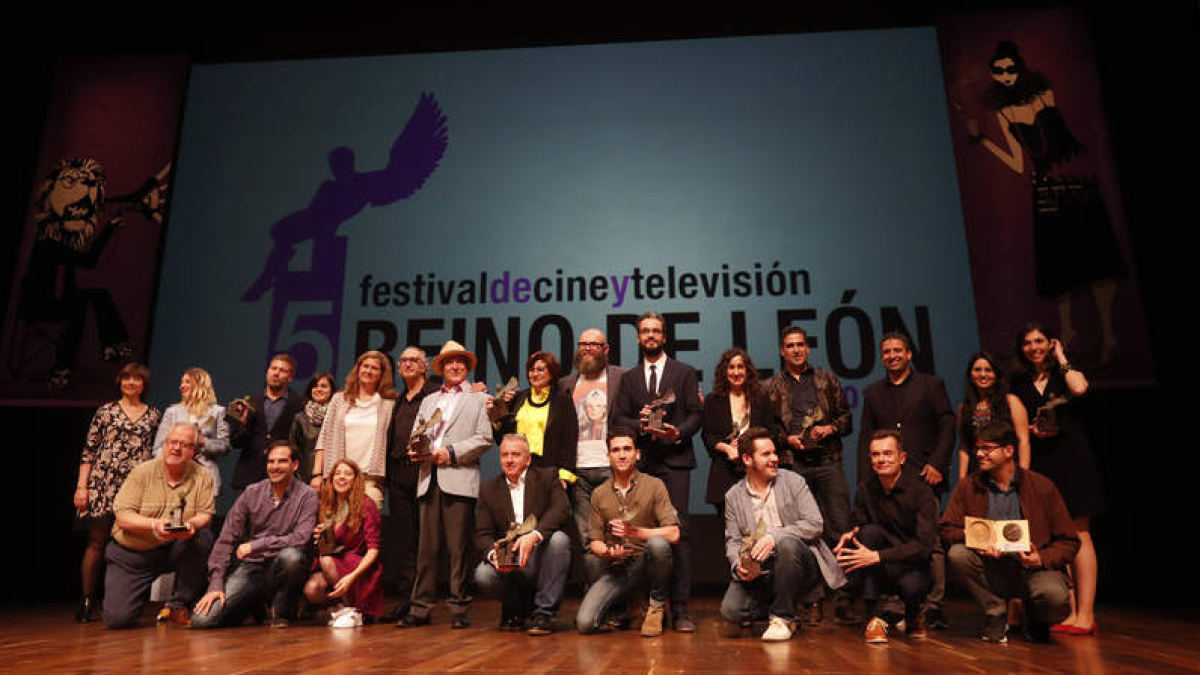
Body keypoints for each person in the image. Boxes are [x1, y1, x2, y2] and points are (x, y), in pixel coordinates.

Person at [969, 40, 1123, 362]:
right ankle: (1067, 332)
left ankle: (1109, 334)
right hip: (1045, 190)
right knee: (1059, 267)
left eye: (1010, 69)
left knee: (1098, 263)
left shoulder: (1044, 95)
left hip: (1076, 179)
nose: (1006, 75)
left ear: (1020, 67)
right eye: (999, 71)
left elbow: (1062, 137)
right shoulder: (1004, 112)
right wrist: (982, 140)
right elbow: (1018, 162)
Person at [942, 421, 1079, 643]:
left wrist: (1040, 558)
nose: (979, 454)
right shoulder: (969, 485)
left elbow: (1069, 541)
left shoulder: (1041, 486)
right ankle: (995, 612)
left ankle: (1035, 618)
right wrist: (978, 539)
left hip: (1033, 570)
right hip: (992, 568)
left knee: (1054, 595)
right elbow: (947, 529)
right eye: (978, 448)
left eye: (987, 448)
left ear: (1008, 451)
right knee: (958, 554)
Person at [1010, 321, 1104, 635]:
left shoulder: (1065, 373)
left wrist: (1062, 356)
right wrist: (1030, 430)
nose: (1033, 347)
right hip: (1041, 462)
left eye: (1039, 341)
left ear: (1050, 343)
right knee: (1058, 538)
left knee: (1080, 534)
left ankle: (1086, 614)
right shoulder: (1019, 381)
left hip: (1072, 459)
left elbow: (1080, 389)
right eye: (1027, 342)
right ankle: (1071, 611)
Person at [612, 311, 703, 631]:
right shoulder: (630, 378)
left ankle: (680, 609)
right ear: (638, 337)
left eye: (656, 331)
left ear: (664, 337)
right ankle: (646, 604)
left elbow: (696, 414)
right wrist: (638, 424)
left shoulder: (684, 372)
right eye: (645, 331)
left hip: (675, 460)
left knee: (678, 532)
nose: (650, 335)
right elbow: (618, 418)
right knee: (639, 534)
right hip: (645, 463)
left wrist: (677, 433)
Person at [858, 331, 955, 629]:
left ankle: (932, 607)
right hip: (887, 479)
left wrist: (937, 463)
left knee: (931, 543)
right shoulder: (873, 393)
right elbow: (866, 437)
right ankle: (891, 604)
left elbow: (947, 425)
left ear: (909, 354)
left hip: (924, 474)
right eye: (886, 352)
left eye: (898, 350)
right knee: (882, 535)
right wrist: (866, 478)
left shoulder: (931, 385)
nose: (892, 356)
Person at [762, 326, 854, 625]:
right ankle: (812, 600)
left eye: (801, 344)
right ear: (782, 351)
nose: (796, 350)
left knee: (839, 529)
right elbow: (766, 429)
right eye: (790, 345)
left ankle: (844, 598)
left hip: (828, 461)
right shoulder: (770, 386)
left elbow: (846, 418)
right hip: (793, 466)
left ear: (808, 348)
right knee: (801, 533)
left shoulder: (826, 379)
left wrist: (830, 428)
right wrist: (786, 439)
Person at [398, 340, 493, 629]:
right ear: (441, 368)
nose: (454, 366)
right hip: (428, 478)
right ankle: (420, 608)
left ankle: (459, 608)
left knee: (458, 549)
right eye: (449, 362)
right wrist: (416, 449)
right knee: (426, 550)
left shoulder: (479, 398)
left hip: (459, 478)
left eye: (459, 362)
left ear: (467, 367)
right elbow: (417, 434)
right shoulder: (429, 401)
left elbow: (484, 438)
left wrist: (450, 453)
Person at [720, 427, 846, 642]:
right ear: (748, 459)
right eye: (766, 454)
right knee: (732, 611)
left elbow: (815, 525)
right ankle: (785, 606)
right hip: (762, 568)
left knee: (786, 544)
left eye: (775, 453)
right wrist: (738, 565)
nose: (775, 458)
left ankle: (782, 617)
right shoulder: (733, 496)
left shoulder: (793, 481)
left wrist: (774, 536)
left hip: (800, 562)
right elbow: (734, 541)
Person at [192, 441, 318, 628]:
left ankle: (282, 612)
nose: (275, 466)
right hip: (252, 566)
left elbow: (301, 538)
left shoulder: (307, 495)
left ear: (295, 465)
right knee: (202, 620)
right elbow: (226, 538)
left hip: (282, 567)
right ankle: (253, 605)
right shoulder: (252, 492)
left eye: (282, 461)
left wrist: (256, 545)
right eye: (271, 461)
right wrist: (215, 584)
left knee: (292, 557)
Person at [102, 422, 214, 629]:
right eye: (172, 442)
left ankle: (178, 605)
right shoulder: (141, 473)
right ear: (165, 444)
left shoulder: (203, 475)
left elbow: (205, 514)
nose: (176, 448)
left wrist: (191, 525)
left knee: (202, 536)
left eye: (184, 444)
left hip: (171, 548)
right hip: (131, 554)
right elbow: (123, 518)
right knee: (119, 620)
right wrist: (154, 525)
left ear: (194, 451)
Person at [74, 362, 160, 623]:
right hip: (103, 484)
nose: (131, 383)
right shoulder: (105, 411)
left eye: (136, 379)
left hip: (136, 487)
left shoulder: (154, 415)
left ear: (144, 385)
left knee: (130, 545)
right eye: (126, 378)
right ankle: (87, 600)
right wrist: (82, 487)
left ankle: (121, 600)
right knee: (96, 543)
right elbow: (89, 451)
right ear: (120, 382)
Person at [576, 427, 680, 637]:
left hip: (647, 563)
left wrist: (635, 532)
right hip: (618, 569)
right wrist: (608, 552)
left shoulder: (655, 485)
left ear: (637, 454)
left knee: (658, 544)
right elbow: (595, 542)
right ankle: (626, 607)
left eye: (627, 449)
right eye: (616, 450)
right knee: (585, 624)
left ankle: (656, 605)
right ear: (608, 456)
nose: (622, 455)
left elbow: (673, 534)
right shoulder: (599, 493)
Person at [836, 430, 937, 644]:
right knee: (866, 533)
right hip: (880, 567)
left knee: (913, 586)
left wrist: (878, 556)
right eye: (876, 454)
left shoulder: (922, 492)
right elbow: (858, 523)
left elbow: (924, 546)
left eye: (888, 453)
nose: (881, 459)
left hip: (912, 566)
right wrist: (849, 533)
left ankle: (911, 615)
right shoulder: (866, 489)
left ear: (902, 458)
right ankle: (873, 616)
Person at [473, 434, 571, 635]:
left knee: (560, 540)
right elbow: (482, 534)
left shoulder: (548, 477)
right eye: (505, 455)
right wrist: (494, 555)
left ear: (528, 459)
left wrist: (535, 535)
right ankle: (515, 610)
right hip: (509, 561)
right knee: (483, 574)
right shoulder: (488, 489)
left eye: (516, 455)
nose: (509, 460)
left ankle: (544, 614)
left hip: (540, 556)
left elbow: (562, 509)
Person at [557, 328, 628, 583]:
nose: (587, 348)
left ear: (605, 349)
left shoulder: (622, 377)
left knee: (618, 538)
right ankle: (597, 596)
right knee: (589, 540)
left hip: (613, 469)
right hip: (578, 472)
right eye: (583, 344)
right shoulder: (565, 384)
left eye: (594, 344)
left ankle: (620, 598)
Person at [382, 346, 439, 620]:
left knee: (423, 540)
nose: (407, 364)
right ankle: (406, 599)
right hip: (397, 475)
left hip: (423, 473)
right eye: (403, 360)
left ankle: (421, 601)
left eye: (413, 360)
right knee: (403, 540)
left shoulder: (435, 394)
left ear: (424, 366)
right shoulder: (398, 400)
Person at [314, 350, 398, 508]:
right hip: (338, 476)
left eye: (374, 368)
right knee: (336, 522)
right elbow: (323, 438)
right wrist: (317, 474)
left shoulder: (389, 404)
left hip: (370, 479)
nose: (368, 371)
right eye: (365, 366)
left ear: (382, 374)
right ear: (358, 369)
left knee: (367, 522)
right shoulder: (339, 399)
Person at [304, 459, 383, 626]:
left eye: (347, 474)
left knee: (326, 560)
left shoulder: (366, 505)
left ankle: (353, 609)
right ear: (331, 479)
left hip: (359, 566)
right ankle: (338, 606)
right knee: (312, 589)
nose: (341, 477)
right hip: (333, 561)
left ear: (356, 479)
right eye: (337, 474)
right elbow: (325, 546)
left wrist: (351, 577)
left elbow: (373, 550)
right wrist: (319, 536)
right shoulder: (326, 504)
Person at [703, 347, 778, 521]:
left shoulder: (761, 398)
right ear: (724, 371)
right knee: (728, 531)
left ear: (747, 370)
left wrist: (752, 448)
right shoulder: (713, 400)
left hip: (756, 471)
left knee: (760, 528)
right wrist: (727, 449)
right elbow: (708, 436)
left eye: (740, 367)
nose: (736, 372)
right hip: (724, 473)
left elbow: (771, 432)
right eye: (731, 367)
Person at [490, 351, 578, 475]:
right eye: (531, 370)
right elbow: (503, 438)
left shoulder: (562, 400)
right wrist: (496, 419)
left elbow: (569, 440)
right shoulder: (518, 398)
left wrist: (565, 473)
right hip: (518, 468)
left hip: (549, 471)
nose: (535, 374)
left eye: (540, 370)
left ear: (551, 373)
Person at [228, 354, 305, 493]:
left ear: (290, 377)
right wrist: (241, 426)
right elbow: (235, 443)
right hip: (248, 477)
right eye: (273, 368)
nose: (276, 373)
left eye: (283, 370)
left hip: (282, 478)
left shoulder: (299, 404)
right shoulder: (248, 401)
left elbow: (301, 444)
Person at [154, 367, 230, 497]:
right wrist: (172, 463)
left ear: (200, 384)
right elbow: (158, 448)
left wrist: (203, 441)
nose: (181, 386)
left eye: (187, 382)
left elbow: (224, 446)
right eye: (181, 382)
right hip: (173, 477)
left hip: (204, 477)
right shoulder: (172, 412)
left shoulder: (218, 412)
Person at [956, 352, 1031, 480]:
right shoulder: (964, 408)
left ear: (996, 374)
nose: (983, 374)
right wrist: (962, 480)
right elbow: (964, 447)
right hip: (977, 473)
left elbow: (1023, 440)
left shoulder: (1011, 402)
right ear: (970, 375)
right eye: (977, 370)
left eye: (988, 370)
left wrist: (1023, 476)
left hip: (1007, 472)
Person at [289, 371, 338, 483]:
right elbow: (293, 450)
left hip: (335, 477)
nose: (318, 389)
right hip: (305, 478)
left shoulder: (338, 417)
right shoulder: (300, 418)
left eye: (323, 386)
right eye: (315, 386)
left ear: (332, 390)